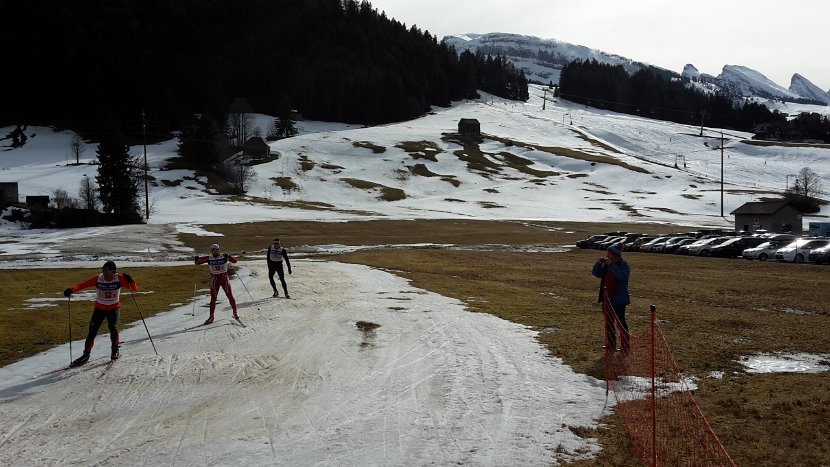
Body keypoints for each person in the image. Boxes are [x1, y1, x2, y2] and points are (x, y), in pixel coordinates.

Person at [63, 260, 137, 366]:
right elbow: (83, 285)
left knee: (113, 328)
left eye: (107, 272)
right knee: (92, 331)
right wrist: (71, 290)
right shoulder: (99, 278)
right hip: (99, 309)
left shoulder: (119, 278)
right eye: (103, 271)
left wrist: (131, 281)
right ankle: (86, 355)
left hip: (113, 308)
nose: (105, 274)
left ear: (113, 272)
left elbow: (134, 288)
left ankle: (114, 350)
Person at [591, 242, 631, 352]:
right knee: (609, 323)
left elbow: (622, 278)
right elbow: (596, 273)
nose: (607, 256)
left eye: (609, 254)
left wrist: (612, 266)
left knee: (620, 323)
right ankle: (611, 344)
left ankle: (625, 346)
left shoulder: (623, 265)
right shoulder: (608, 265)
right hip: (606, 298)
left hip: (618, 300)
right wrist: (598, 264)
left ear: (615, 255)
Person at [195, 243, 239, 324]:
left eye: (217, 249)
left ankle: (235, 313)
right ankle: (211, 317)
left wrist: (229, 256)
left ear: (219, 250)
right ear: (211, 251)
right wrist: (196, 259)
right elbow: (198, 263)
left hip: (224, 279)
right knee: (213, 298)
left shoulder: (224, 256)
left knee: (230, 295)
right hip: (215, 280)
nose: (215, 251)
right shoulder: (209, 258)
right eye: (213, 250)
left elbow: (235, 261)